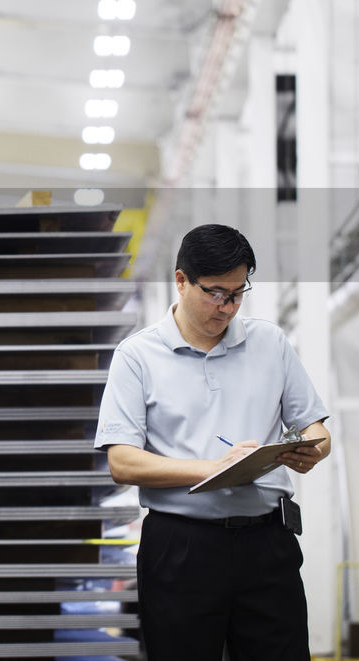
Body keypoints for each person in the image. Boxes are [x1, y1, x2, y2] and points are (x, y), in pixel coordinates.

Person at [94, 223, 330, 661]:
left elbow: (315, 427)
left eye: (238, 293)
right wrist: (214, 468)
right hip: (181, 548)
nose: (227, 306)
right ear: (181, 281)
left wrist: (312, 447)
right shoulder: (137, 356)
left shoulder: (270, 344)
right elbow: (123, 463)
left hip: (267, 544)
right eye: (215, 292)